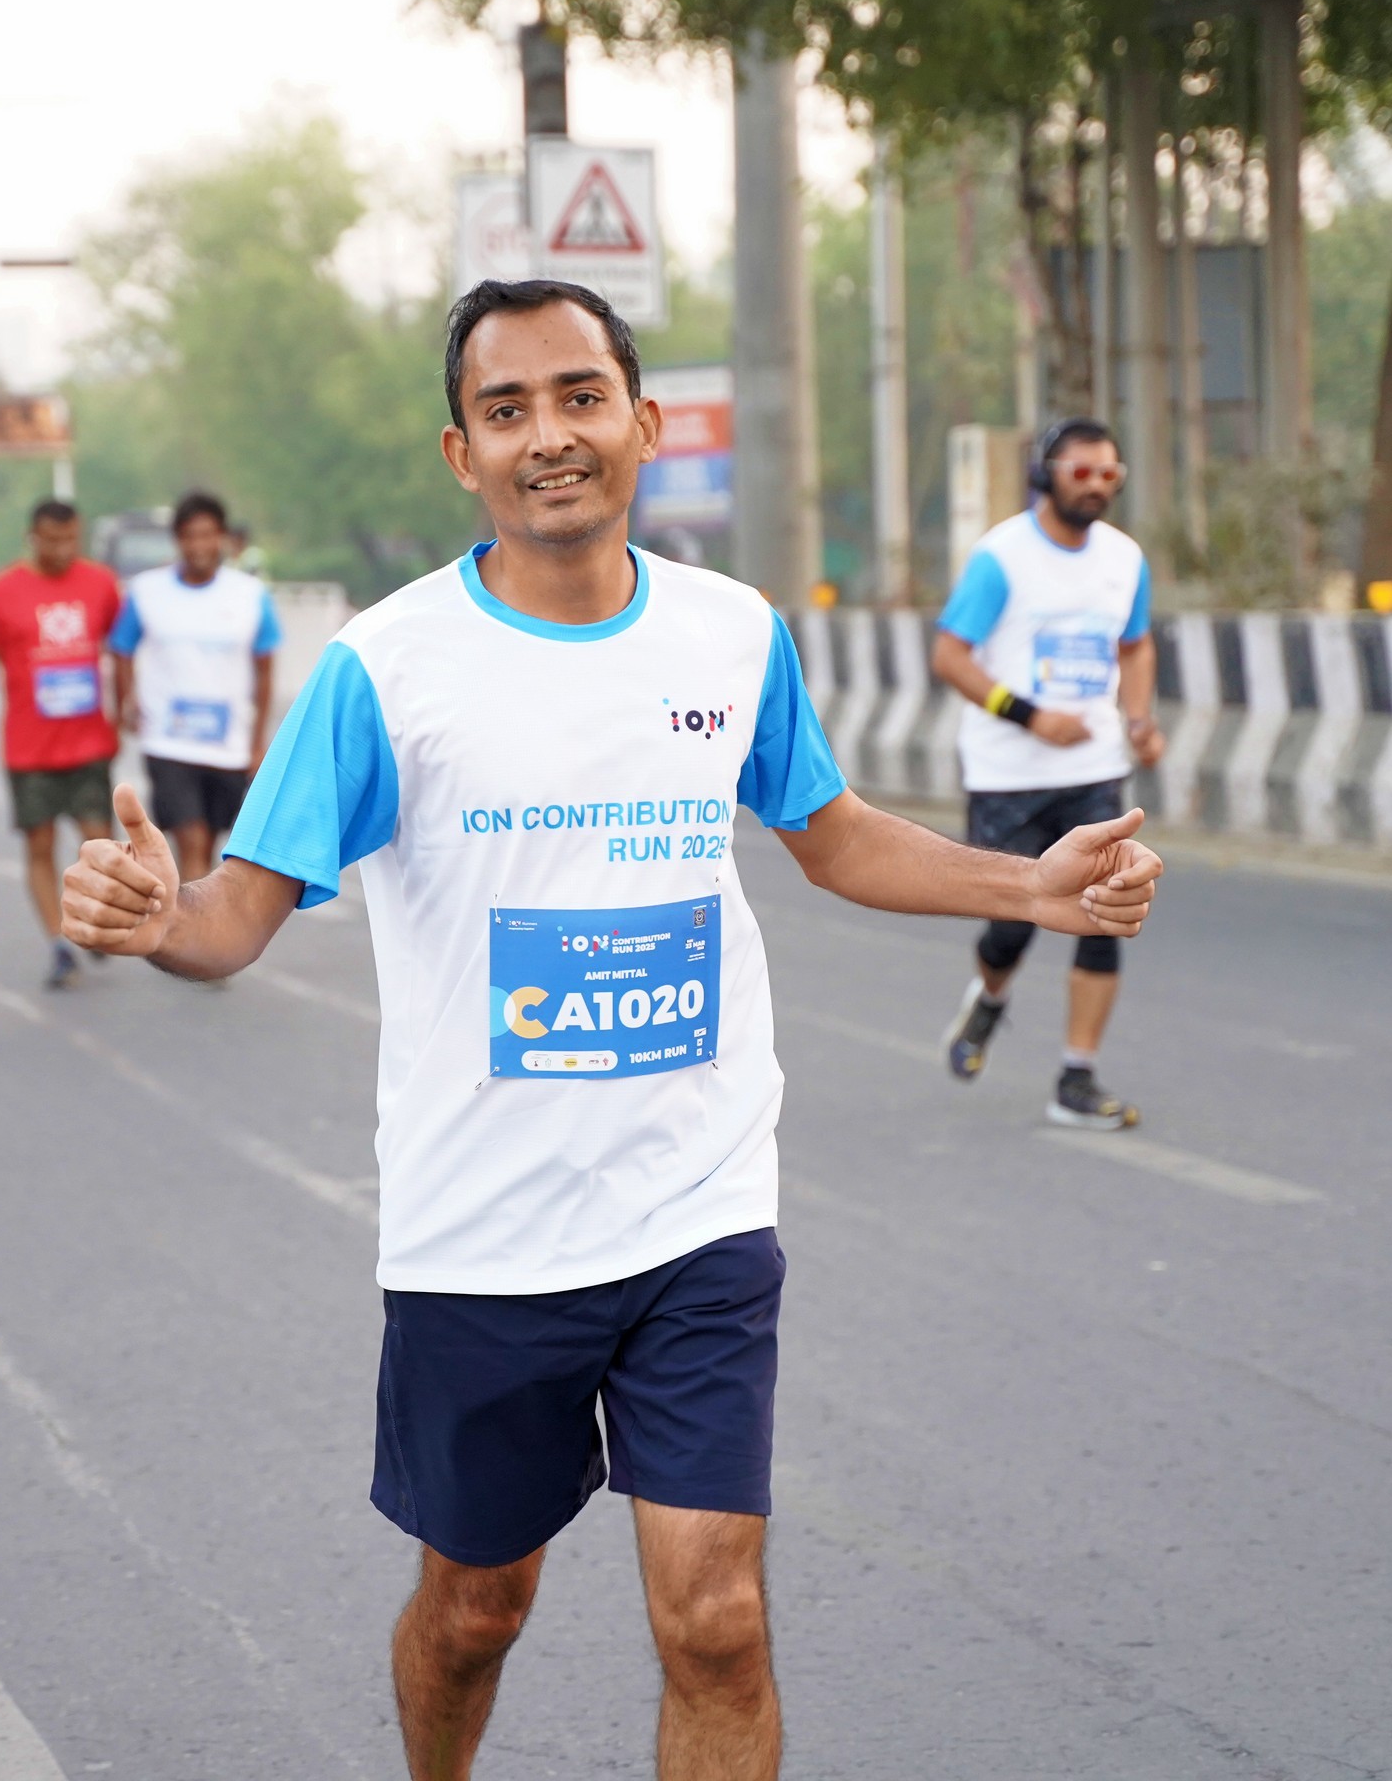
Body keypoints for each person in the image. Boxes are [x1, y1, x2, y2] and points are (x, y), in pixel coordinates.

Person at [61, 278, 1164, 1781]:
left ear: (643, 424)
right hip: (483, 1236)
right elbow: (236, 915)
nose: (550, 436)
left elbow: (833, 835)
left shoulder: (731, 633)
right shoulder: (385, 668)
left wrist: (1028, 884)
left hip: (696, 1209)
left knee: (717, 1619)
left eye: (580, 397)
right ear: (462, 453)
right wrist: (157, 918)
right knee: (477, 1609)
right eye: (507, 409)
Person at [932, 418, 1164, 1131]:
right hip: (1008, 774)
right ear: (1046, 473)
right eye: (1081, 472)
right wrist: (1031, 716)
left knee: (1105, 916)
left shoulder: (1125, 559)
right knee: (1013, 926)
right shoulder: (1001, 558)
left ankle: (1076, 1076)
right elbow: (950, 655)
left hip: (1095, 769)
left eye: (1109, 475)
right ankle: (989, 998)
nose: (1096, 486)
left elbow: (1135, 645)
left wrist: (1139, 720)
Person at [0, 498, 123, 989]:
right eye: (52, 540)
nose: (62, 549)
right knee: (40, 844)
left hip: (89, 742)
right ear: (32, 538)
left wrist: (124, 710)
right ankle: (60, 944)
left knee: (101, 843)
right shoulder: (1, 591)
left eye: (71, 539)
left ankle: (96, 920)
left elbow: (124, 651)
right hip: (29, 748)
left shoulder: (100, 584)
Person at [107, 490, 281, 884]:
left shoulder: (250, 595)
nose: (199, 545)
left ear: (223, 538)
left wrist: (257, 741)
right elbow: (121, 648)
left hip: (228, 745)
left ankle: (186, 913)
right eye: (190, 535)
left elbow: (266, 669)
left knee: (209, 843)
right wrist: (126, 702)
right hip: (168, 742)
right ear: (177, 539)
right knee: (192, 839)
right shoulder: (147, 591)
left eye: (207, 535)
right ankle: (190, 921)